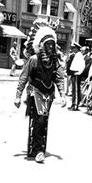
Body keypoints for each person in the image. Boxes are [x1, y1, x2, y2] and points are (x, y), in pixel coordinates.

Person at [14, 22, 66, 163]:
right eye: (48, 44)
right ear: (42, 45)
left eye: (52, 44)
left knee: (44, 122)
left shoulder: (55, 61)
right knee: (38, 121)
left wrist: (63, 94)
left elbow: (59, 78)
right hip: (35, 92)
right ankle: (38, 150)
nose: (51, 47)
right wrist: (18, 96)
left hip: (48, 94)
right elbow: (23, 78)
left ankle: (40, 148)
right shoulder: (34, 60)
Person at [68, 42, 85, 111]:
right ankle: (73, 104)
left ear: (76, 48)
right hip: (74, 73)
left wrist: (79, 72)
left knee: (76, 90)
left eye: (73, 48)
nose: (72, 49)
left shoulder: (79, 55)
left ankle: (75, 105)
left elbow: (82, 65)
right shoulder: (77, 55)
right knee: (74, 90)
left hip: (77, 74)